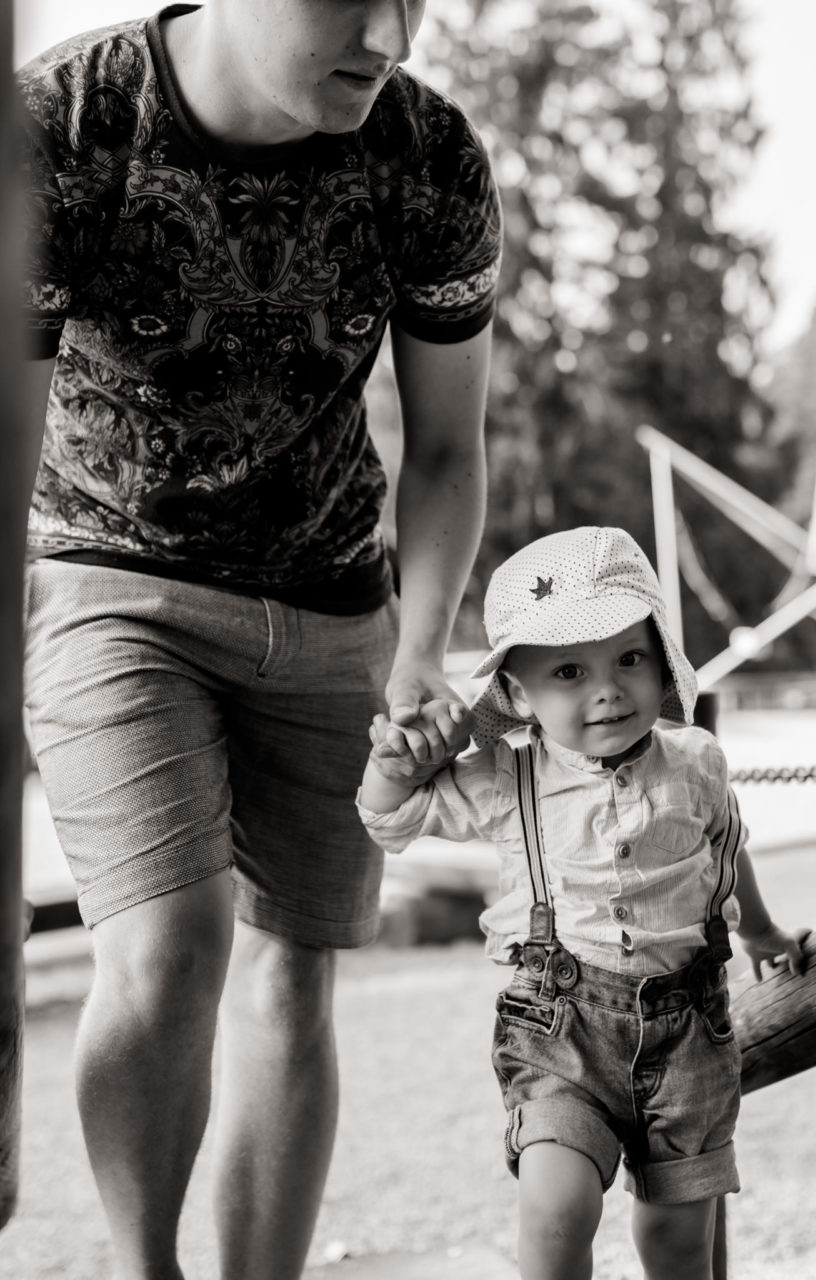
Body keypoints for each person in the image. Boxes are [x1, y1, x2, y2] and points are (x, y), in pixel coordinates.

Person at [17, 3, 500, 1277]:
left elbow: (448, 453)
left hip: (337, 595)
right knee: (172, 941)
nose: (393, 33)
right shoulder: (58, 125)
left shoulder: (430, 156)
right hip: (110, 575)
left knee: (294, 976)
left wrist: (421, 651)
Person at [359, 526, 806, 1280]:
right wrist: (392, 766)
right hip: (560, 1032)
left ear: (659, 661)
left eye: (628, 658)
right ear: (515, 693)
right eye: (569, 670)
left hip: (688, 1033)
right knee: (557, 1206)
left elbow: (725, 856)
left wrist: (758, 931)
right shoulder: (509, 779)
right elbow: (390, 819)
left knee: (675, 1242)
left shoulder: (694, 763)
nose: (607, 689)